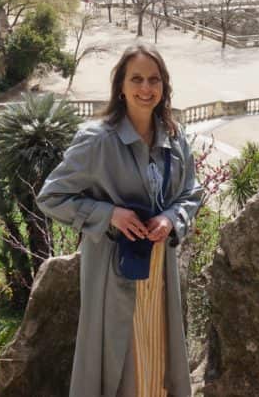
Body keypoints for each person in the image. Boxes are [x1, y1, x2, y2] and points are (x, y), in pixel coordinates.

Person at [38, 45, 203, 397]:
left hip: (160, 270)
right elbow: (51, 197)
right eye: (137, 79)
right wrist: (109, 214)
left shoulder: (174, 137)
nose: (146, 89)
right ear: (121, 87)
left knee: (159, 360)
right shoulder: (98, 140)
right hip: (114, 272)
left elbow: (192, 192)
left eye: (154, 80)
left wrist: (172, 219)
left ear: (164, 86)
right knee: (121, 364)